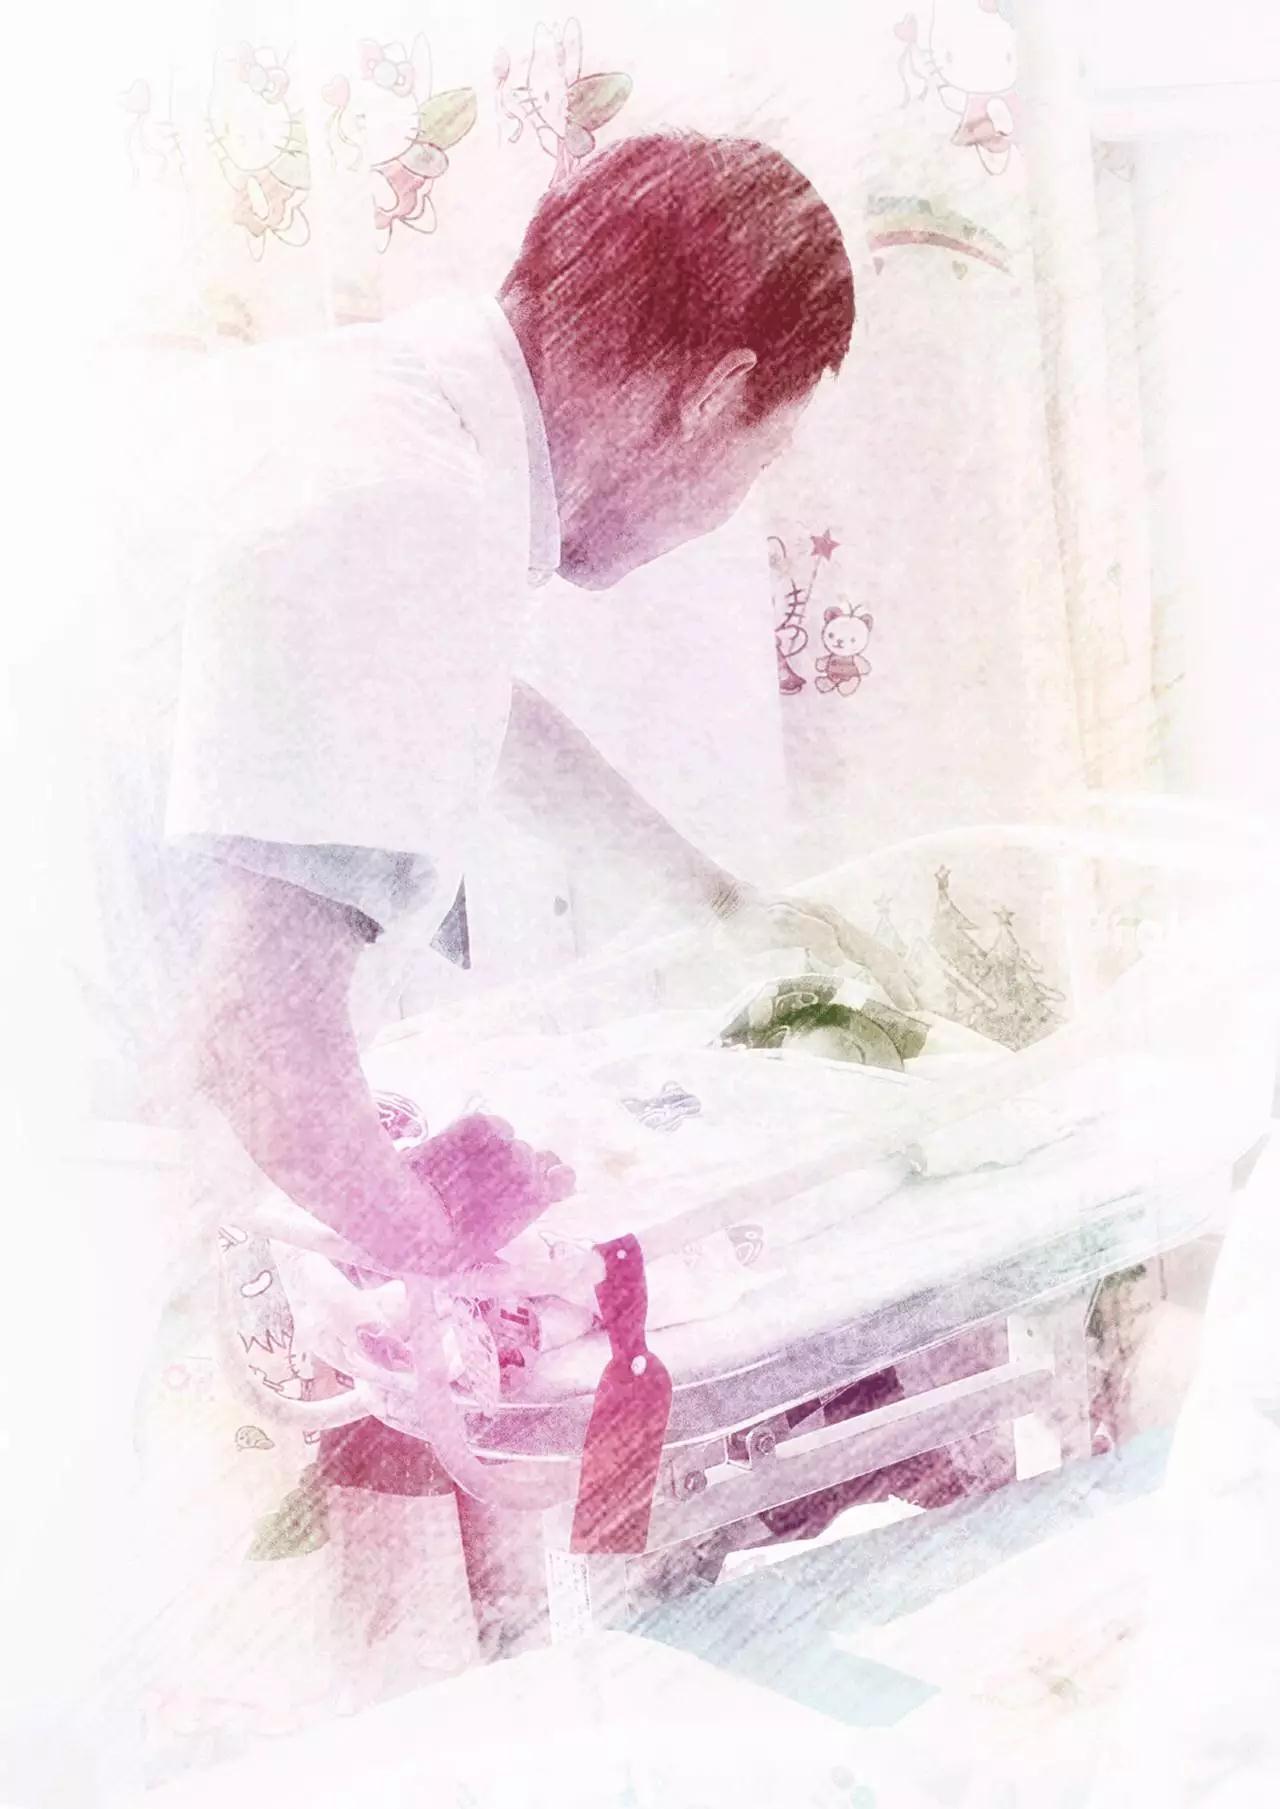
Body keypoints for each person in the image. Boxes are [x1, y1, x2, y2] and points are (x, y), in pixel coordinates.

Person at [97, 129, 914, 1282]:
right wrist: (459, 1254)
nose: (732, 505)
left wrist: (715, 906)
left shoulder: (381, 418)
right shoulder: (408, 507)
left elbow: (466, 710)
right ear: (714, 394)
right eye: (763, 456)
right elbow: (257, 1037)